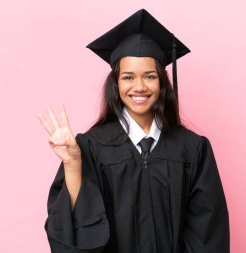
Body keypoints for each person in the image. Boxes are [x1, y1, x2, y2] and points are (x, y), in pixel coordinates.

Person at [38, 9, 229, 253]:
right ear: (116, 85)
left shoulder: (192, 149)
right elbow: (76, 227)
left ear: (162, 83)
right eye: (128, 77)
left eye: (149, 76)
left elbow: (207, 233)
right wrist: (74, 164)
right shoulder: (91, 146)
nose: (139, 87)